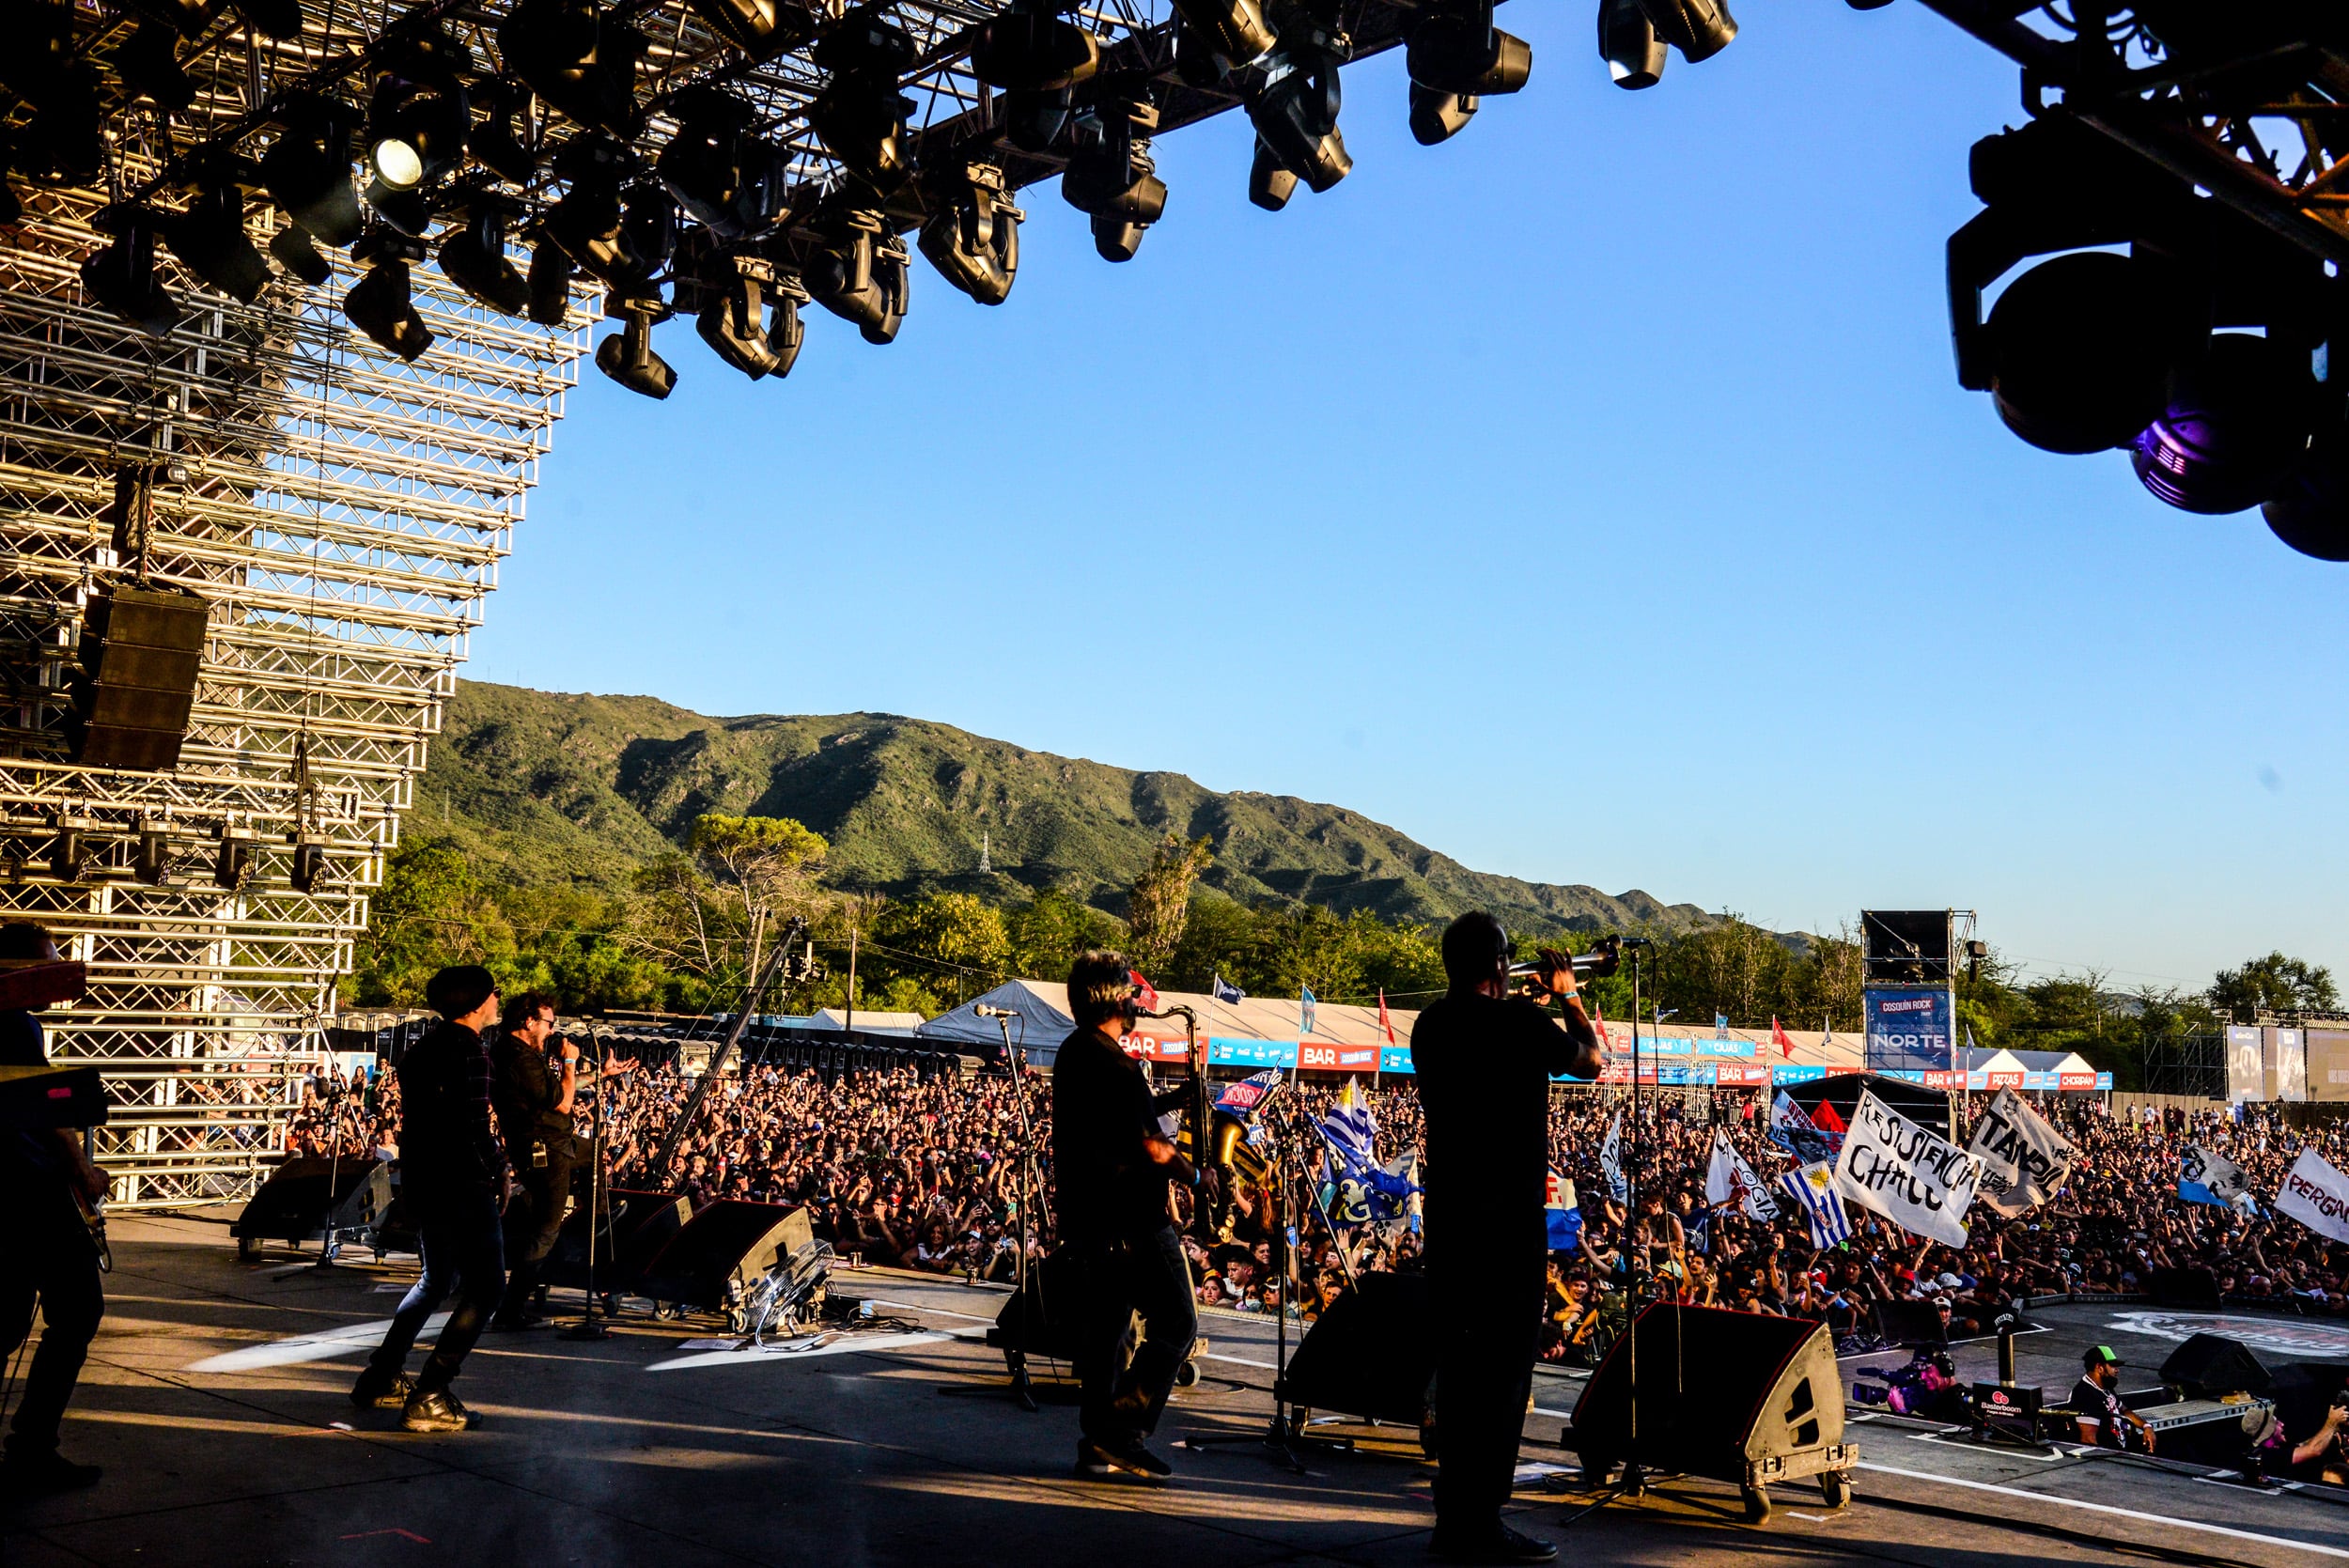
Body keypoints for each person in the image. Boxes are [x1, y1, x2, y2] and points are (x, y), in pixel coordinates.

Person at [1410, 912, 1604, 1566]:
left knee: (1461, 1374)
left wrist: (1525, 1002)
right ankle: (1480, 1522)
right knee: (1500, 1378)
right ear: (1498, 964)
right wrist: (1568, 998)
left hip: (1451, 1221)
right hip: (1506, 1227)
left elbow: (1489, 1038)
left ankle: (1454, 1518)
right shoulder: (1519, 1023)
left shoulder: (1431, 1025)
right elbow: (1591, 1061)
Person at [1050, 949, 1199, 1481]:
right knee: (1177, 1321)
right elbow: (1151, 1148)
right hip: (1132, 1218)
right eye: (1132, 993)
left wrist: (1172, 1099)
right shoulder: (1117, 1063)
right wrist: (1198, 1177)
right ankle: (1124, 1429)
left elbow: (1113, 1119)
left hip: (1091, 1219)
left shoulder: (1075, 1052)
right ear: (1115, 1000)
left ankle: (1097, 1443)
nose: (1138, 1002)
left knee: (1110, 1333)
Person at [351, 966, 509, 1432]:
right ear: (476, 1003)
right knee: (487, 1288)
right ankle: (431, 1393)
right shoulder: (471, 1052)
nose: (497, 1000)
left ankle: (381, 1375)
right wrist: (500, 1168)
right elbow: (473, 1125)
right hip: (463, 1182)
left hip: (425, 1180)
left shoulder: (422, 1049)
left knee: (436, 1280)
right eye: (493, 993)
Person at [0, 923, 106, 1496]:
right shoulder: (15, 1023)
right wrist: (83, 1171)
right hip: (32, 1192)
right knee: (78, 1310)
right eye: (48, 961)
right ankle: (32, 1448)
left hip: (11, 1195)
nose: (58, 971)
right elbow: (45, 1112)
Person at [488, 992, 578, 1330]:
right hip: (545, 1148)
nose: (552, 1030)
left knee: (592, 1154)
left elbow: (553, 1093)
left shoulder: (521, 1053)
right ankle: (510, 1310)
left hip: (554, 1143)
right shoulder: (518, 1058)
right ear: (529, 1022)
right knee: (544, 1231)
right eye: (549, 1023)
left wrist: (599, 1075)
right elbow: (563, 1103)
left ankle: (596, 1218)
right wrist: (569, 1063)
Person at [2071, 1345, 2155, 1453]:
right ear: (2099, 1367)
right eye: (2113, 1366)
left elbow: (2124, 1410)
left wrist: (2147, 1427)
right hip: (2110, 1456)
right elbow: (2089, 1440)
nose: (2117, 1370)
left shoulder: (2104, 1386)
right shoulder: (2085, 1394)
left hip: (2121, 1450)